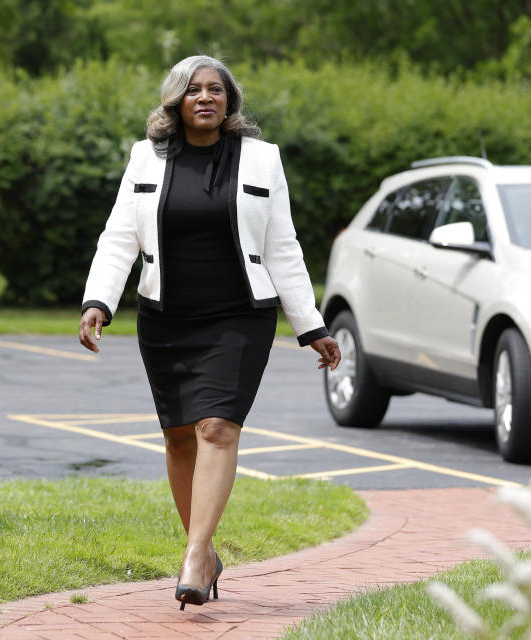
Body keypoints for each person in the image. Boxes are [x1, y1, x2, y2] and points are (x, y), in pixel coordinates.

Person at [78, 55, 340, 611]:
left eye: (215, 90)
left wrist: (309, 323)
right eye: (193, 90)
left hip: (239, 315)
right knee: (178, 437)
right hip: (166, 318)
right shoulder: (146, 157)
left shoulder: (261, 160)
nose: (205, 98)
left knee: (217, 427)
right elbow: (120, 236)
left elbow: (283, 246)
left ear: (230, 101)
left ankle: (196, 555)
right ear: (175, 101)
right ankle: (205, 551)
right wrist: (99, 299)